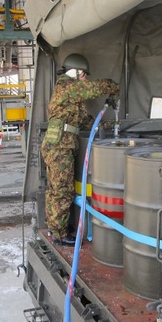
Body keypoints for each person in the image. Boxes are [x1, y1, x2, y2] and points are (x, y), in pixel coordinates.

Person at [41, 53, 119, 246]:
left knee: (57, 189)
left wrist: (108, 125)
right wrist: (112, 85)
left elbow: (85, 122)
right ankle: (59, 233)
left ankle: (54, 227)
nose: (85, 78)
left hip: (62, 144)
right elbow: (93, 89)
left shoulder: (72, 97)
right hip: (60, 145)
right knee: (61, 190)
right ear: (75, 72)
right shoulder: (67, 86)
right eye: (83, 74)